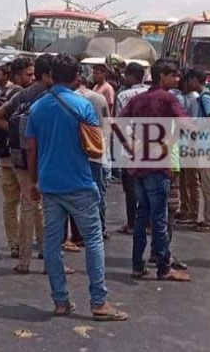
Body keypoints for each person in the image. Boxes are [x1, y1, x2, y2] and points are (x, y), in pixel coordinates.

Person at [25, 55, 129, 321]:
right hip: (80, 182)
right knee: (93, 240)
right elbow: (96, 147)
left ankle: (60, 301)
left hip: (49, 184)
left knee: (52, 242)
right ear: (75, 77)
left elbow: (31, 149)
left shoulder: (38, 108)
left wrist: (33, 181)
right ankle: (98, 302)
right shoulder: (83, 105)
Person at [121, 58, 192, 281]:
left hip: (139, 164)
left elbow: (118, 122)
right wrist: (168, 145)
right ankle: (163, 267)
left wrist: (130, 146)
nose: (178, 79)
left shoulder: (139, 99)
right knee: (159, 218)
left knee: (142, 216)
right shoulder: (168, 99)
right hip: (158, 166)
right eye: (174, 75)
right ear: (163, 76)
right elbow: (186, 124)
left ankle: (137, 264)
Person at [0, 55, 51, 271]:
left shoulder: (21, 95)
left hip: (19, 157)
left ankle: (22, 255)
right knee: (39, 206)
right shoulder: (49, 96)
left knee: (23, 204)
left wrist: (17, 133)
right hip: (42, 156)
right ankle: (42, 255)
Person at [180, 67, 210, 232]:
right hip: (203, 146)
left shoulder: (205, 97)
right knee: (205, 184)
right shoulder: (201, 98)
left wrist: (200, 128)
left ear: (195, 80)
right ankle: (207, 217)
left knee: (208, 185)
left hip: (207, 147)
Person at [114, 62, 149, 234]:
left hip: (129, 145)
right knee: (146, 184)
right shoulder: (151, 94)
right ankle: (146, 220)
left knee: (130, 187)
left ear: (130, 76)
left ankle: (132, 223)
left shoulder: (123, 96)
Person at [75, 73, 112, 236]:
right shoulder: (99, 98)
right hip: (97, 150)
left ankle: (78, 232)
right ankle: (100, 227)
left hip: (75, 151)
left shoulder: (66, 98)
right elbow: (107, 125)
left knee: (74, 192)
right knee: (97, 190)